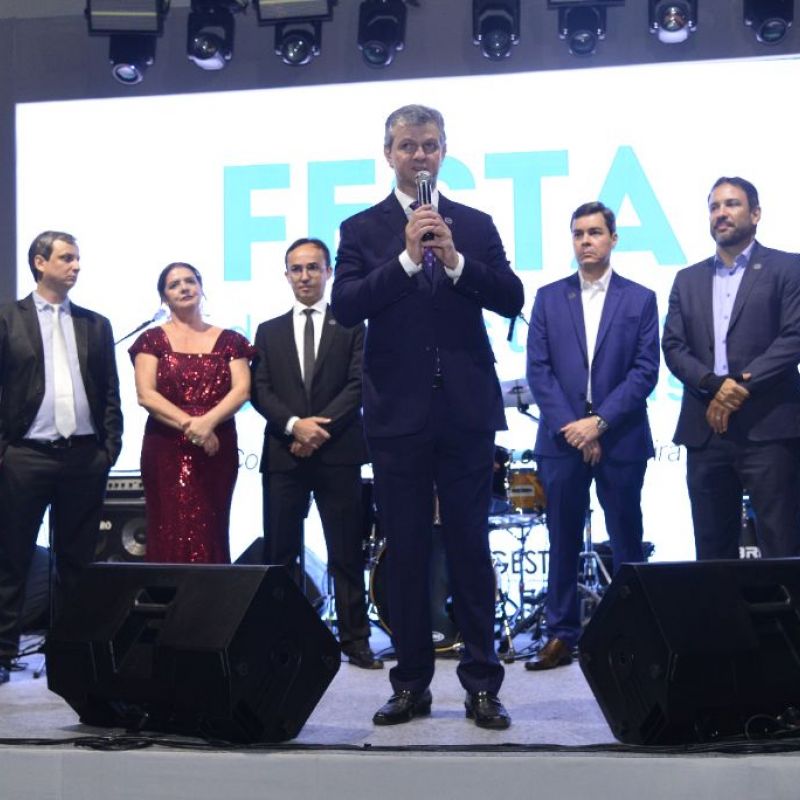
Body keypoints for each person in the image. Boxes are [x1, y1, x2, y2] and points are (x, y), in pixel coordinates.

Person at [331, 104, 523, 729]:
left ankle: (483, 684)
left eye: (430, 145)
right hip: (397, 415)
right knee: (407, 551)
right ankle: (411, 683)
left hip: (466, 411)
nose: (419, 155)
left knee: (470, 548)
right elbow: (345, 306)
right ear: (388, 153)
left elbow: (511, 297)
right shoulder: (361, 229)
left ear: (444, 152)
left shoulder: (474, 223)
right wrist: (408, 261)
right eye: (408, 145)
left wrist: (457, 260)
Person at [525, 202, 659, 670]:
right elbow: (539, 371)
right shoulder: (548, 298)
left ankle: (632, 634)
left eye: (595, 232)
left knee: (626, 538)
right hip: (561, 439)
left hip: (621, 437)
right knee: (561, 538)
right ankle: (561, 634)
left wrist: (598, 423)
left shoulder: (640, 299)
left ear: (613, 239)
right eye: (579, 233)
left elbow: (645, 371)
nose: (586, 240)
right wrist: (576, 428)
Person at [0, 230, 122, 687]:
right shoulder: (8, 319)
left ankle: (69, 654)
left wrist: (109, 449)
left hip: (84, 458)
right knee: (11, 558)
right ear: (40, 262)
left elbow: (109, 392)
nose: (76, 266)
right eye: (66, 258)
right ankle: (3, 651)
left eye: (77, 258)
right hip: (25, 456)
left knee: (77, 562)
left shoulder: (96, 324)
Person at [251, 238, 379, 670]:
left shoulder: (353, 326)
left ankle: (355, 639)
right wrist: (294, 426)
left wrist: (316, 429)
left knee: (345, 552)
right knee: (280, 553)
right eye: (296, 269)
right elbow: (260, 390)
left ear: (328, 272)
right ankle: (283, 639)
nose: (304, 276)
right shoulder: (267, 331)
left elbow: (359, 384)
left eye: (312, 267)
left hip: (338, 452)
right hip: (284, 453)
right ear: (286, 275)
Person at [663, 177, 800, 560]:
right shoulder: (687, 279)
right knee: (711, 552)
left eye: (732, 204)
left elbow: (793, 337)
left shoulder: (789, 267)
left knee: (782, 545)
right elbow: (673, 346)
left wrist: (738, 386)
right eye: (714, 206)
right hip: (706, 430)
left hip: (769, 430)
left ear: (755, 214)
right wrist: (713, 385)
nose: (721, 213)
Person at [129, 262, 252, 564]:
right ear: (164, 297)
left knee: (212, 528)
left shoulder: (231, 341)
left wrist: (208, 423)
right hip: (165, 447)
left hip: (217, 445)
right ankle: (166, 593)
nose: (184, 288)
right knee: (168, 528)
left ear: (200, 287)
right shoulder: (151, 340)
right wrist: (192, 426)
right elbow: (146, 395)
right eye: (174, 285)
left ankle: (213, 595)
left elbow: (242, 391)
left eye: (189, 281)